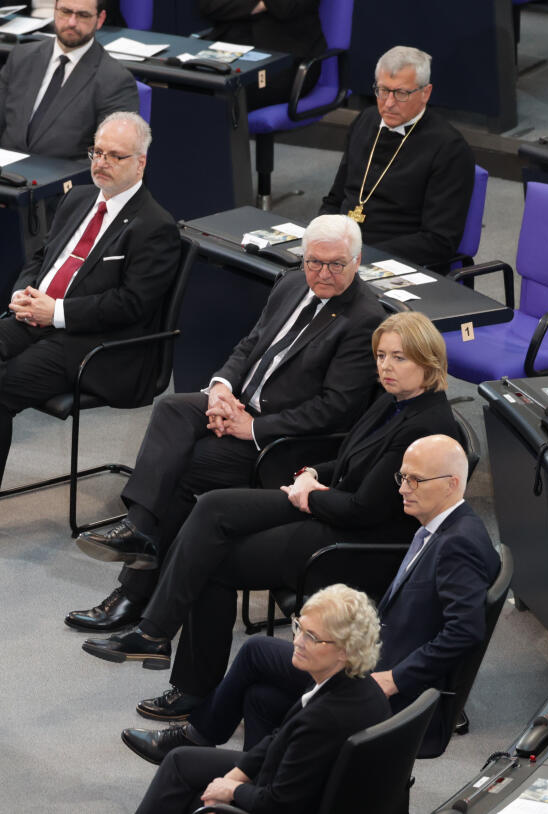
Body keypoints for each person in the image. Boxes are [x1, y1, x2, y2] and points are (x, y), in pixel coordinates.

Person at [81, 313, 461, 713]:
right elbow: (349, 459)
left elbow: (365, 508)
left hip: (356, 543)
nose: (385, 366)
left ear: (429, 361)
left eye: (399, 358)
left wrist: (308, 496)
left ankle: (190, 686)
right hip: (330, 505)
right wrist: (313, 473)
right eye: (381, 356)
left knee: (214, 561)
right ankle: (154, 633)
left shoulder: (427, 427)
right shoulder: (392, 400)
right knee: (213, 506)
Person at [65, 215, 384, 634]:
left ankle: (134, 594)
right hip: (238, 404)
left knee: (183, 467)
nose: (322, 273)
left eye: (335, 265)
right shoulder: (291, 283)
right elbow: (250, 344)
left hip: (280, 442)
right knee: (172, 410)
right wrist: (220, 390)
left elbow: (334, 410)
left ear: (357, 261)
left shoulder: (363, 319)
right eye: (313, 262)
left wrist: (251, 427)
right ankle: (139, 531)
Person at [125, 433, 500, 763]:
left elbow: (464, 632)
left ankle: (198, 737)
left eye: (415, 481)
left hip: (388, 687)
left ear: (452, 484)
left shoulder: (458, 545)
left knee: (256, 652)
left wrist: (393, 679)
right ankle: (261, 792)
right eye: (402, 478)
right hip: (375, 659)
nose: (403, 488)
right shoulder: (441, 528)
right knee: (259, 698)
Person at [0, 112, 181, 550]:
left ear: (140, 163)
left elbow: (132, 306)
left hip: (93, 343)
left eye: (115, 156)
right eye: (97, 152)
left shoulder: (155, 226)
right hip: (39, 318)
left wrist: (56, 312)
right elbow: (40, 259)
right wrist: (25, 292)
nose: (102, 163)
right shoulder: (78, 199)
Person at [133, 584, 391, 814]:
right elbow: (281, 735)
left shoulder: (323, 719)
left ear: (344, 651)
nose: (297, 641)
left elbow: (279, 804)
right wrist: (236, 776)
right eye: (299, 627)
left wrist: (232, 792)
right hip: (305, 781)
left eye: (311, 637)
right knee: (260, 699)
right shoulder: (354, 682)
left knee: (180, 771)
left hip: (293, 798)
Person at [319, 46, 475, 270]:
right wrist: (319, 234)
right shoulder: (365, 120)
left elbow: (438, 241)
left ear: (425, 93)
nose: (389, 103)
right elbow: (335, 199)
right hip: (342, 252)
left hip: (398, 263)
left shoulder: (449, 149)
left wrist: (362, 255)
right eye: (383, 90)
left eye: (401, 93)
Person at [0, 0, 139, 161]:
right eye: (65, 12)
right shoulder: (21, 57)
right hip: (3, 177)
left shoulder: (115, 80)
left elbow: (108, 156)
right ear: (55, 11)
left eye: (83, 15)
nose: (71, 22)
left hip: (63, 187)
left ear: (100, 19)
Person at [196, 0, 325, 109]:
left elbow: (284, 7)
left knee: (228, 95)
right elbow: (209, 6)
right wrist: (261, 5)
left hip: (288, 59)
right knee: (189, 84)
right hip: (230, 48)